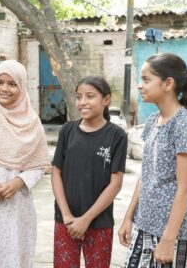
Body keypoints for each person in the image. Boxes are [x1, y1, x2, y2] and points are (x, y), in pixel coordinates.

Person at [118, 53, 187, 268]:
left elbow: (185, 188)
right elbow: (146, 174)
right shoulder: (154, 120)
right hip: (145, 224)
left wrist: (168, 240)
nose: (139, 85)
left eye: (146, 80)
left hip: (168, 233)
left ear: (168, 84)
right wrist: (129, 216)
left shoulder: (183, 125)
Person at [0, 60, 50, 268]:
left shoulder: (32, 123)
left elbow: (39, 164)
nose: (4, 89)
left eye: (12, 84)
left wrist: (19, 181)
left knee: (13, 257)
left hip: (16, 208)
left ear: (22, 87)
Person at [51, 76, 127, 268]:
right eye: (79, 97)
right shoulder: (68, 130)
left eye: (90, 96)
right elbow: (56, 173)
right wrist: (67, 215)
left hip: (99, 222)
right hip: (65, 222)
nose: (82, 102)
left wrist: (86, 219)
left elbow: (115, 184)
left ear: (106, 100)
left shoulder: (116, 135)